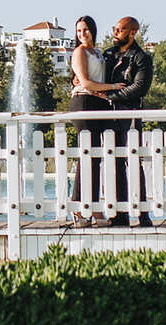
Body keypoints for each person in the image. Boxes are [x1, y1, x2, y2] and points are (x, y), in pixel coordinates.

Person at [77, 17, 156, 221]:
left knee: (132, 160)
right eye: (114, 29)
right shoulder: (109, 54)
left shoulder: (141, 58)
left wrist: (111, 96)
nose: (115, 33)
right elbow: (94, 75)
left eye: (119, 30)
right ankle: (119, 214)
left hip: (128, 112)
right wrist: (76, 80)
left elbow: (139, 88)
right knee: (113, 161)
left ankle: (143, 213)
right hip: (107, 114)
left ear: (132, 33)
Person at [66, 16, 111, 211]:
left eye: (85, 30)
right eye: (78, 31)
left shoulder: (99, 53)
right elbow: (85, 83)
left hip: (99, 103)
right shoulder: (79, 52)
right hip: (84, 102)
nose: (82, 34)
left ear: (93, 30)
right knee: (87, 155)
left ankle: (91, 206)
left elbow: (96, 79)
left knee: (96, 156)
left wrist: (103, 90)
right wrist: (113, 86)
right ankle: (79, 206)